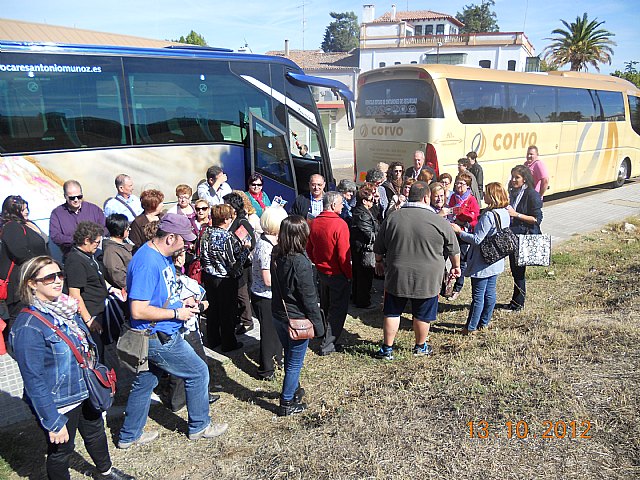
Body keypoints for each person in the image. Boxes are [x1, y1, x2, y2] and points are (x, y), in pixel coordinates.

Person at [9, 256, 135, 480]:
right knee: (61, 451)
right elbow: (33, 379)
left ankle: (105, 472)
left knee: (95, 431)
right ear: (31, 283)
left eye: (60, 275)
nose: (58, 281)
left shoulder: (66, 309)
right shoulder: (29, 326)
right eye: (49, 277)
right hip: (60, 401)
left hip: (84, 388)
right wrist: (53, 421)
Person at [118, 213, 228, 446]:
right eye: (184, 241)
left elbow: (163, 294)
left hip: (159, 331)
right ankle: (200, 426)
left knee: (145, 383)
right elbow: (138, 310)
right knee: (198, 372)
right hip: (158, 335)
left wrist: (182, 303)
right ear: (170, 238)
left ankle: (129, 436)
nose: (186, 246)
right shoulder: (147, 263)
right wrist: (176, 313)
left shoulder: (162, 256)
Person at [373, 182, 460, 360]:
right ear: (426, 197)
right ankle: (420, 347)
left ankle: (387, 349)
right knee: (422, 314)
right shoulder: (438, 220)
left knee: (392, 312)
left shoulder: (393, 218)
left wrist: (379, 262)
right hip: (428, 277)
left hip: (397, 274)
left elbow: (379, 247)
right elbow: (454, 249)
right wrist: (456, 267)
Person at [271, 216, 324, 416]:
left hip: (279, 314)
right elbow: (309, 298)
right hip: (296, 319)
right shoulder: (300, 262)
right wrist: (319, 327)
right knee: (294, 363)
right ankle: (286, 403)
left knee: (290, 356)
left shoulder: (276, 253)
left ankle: (293, 389)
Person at [164, 249, 219, 412]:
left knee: (178, 364)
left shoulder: (167, 276)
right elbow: (202, 301)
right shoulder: (182, 280)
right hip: (186, 326)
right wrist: (200, 305)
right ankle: (200, 396)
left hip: (172, 327)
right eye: (181, 255)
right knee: (199, 362)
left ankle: (177, 400)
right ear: (178, 259)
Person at [451, 183, 510, 334]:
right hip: (496, 259)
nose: (483, 195)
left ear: (493, 196)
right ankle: (484, 322)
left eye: (486, 193)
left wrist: (459, 232)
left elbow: (477, 239)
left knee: (478, 296)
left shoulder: (489, 215)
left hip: (482, 261)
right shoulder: (504, 212)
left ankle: (470, 327)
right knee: (490, 293)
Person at [306, 191, 352, 356]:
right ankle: (328, 344)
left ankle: (323, 334)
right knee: (337, 310)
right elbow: (343, 255)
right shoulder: (340, 225)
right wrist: (348, 274)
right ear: (333, 205)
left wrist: (318, 262)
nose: (342, 206)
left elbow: (309, 248)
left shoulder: (315, 223)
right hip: (337, 274)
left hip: (322, 272)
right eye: (341, 204)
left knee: (325, 307)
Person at [200, 204, 251, 351]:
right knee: (227, 312)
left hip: (209, 276)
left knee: (213, 310)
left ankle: (213, 339)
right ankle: (229, 343)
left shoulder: (205, 233)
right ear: (226, 219)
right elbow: (235, 263)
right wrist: (245, 250)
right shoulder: (228, 237)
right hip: (226, 279)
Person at [65, 221, 117, 363]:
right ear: (86, 240)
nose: (98, 245)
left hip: (100, 309)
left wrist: (112, 289)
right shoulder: (76, 261)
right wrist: (89, 320)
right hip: (91, 313)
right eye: (96, 242)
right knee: (98, 352)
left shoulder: (87, 255)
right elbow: (74, 295)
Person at [0, 195, 49, 334]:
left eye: (27, 208)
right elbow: (20, 252)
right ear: (14, 211)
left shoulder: (26, 224)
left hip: (31, 276)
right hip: (19, 282)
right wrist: (41, 264)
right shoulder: (11, 227)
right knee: (20, 317)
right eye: (23, 209)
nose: (27, 211)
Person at [250, 206, 288, 380]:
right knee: (268, 334)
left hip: (269, 296)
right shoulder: (265, 248)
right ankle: (266, 370)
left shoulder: (271, 242)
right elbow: (267, 280)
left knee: (276, 332)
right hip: (264, 297)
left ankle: (277, 359)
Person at [504, 165, 543, 312]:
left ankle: (518, 304)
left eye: (517, 177)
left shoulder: (531, 194)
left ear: (524, 179)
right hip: (513, 236)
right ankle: (515, 301)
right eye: (512, 177)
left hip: (524, 237)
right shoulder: (513, 192)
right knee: (515, 270)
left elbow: (537, 219)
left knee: (519, 271)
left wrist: (516, 215)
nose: (513, 180)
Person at [223, 192, 256, 335]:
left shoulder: (241, 223)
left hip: (242, 264)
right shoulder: (233, 221)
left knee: (241, 293)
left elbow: (251, 243)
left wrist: (240, 254)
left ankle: (247, 321)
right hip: (236, 263)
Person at [446, 173, 480, 301]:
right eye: (457, 183)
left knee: (462, 261)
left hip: (464, 233)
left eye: (462, 183)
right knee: (449, 255)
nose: (459, 186)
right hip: (453, 230)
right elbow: (449, 211)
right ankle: (446, 283)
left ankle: (457, 287)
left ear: (468, 186)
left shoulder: (471, 199)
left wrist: (464, 220)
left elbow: (475, 218)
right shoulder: (454, 197)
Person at [49, 180, 106, 257]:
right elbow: (55, 236)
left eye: (79, 197)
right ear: (65, 196)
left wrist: (93, 239)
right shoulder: (57, 213)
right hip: (73, 256)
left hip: (96, 255)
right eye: (72, 198)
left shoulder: (94, 209)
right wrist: (78, 240)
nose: (76, 200)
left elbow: (104, 228)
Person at [349, 184, 379, 309]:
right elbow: (369, 234)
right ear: (364, 201)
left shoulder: (363, 211)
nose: (373, 202)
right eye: (371, 200)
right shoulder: (362, 215)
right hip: (363, 249)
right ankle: (363, 301)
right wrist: (381, 238)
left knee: (360, 275)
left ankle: (357, 298)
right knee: (364, 276)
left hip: (360, 247)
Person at [102, 214, 132, 292]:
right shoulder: (111, 251)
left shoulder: (125, 243)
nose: (130, 229)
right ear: (119, 231)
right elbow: (117, 275)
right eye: (127, 228)